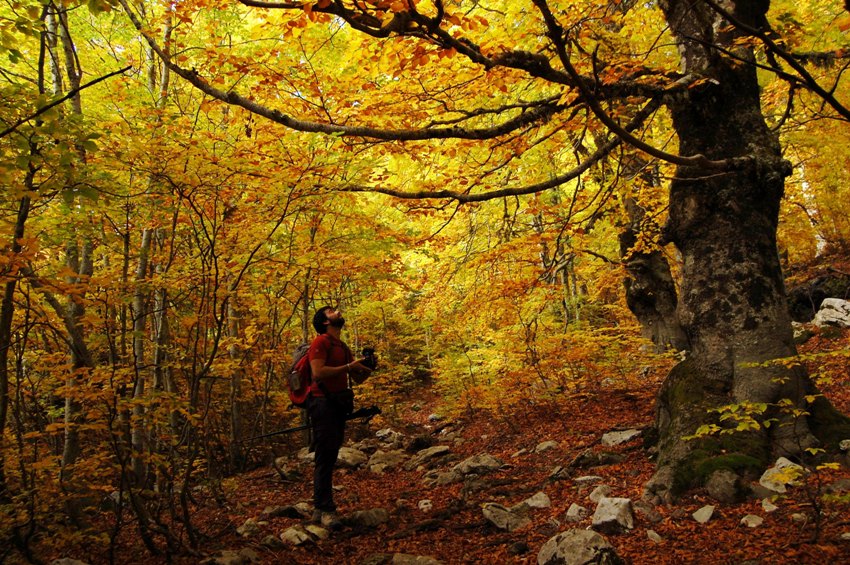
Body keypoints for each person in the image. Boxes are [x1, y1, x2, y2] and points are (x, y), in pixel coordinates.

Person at [307, 306, 372, 529]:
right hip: (322, 403)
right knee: (325, 456)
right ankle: (325, 509)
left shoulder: (342, 346)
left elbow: (357, 377)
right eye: (332, 311)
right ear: (325, 322)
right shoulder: (320, 342)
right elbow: (317, 372)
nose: (338, 312)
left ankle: (319, 508)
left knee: (331, 453)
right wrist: (347, 366)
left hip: (338, 402)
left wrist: (367, 368)